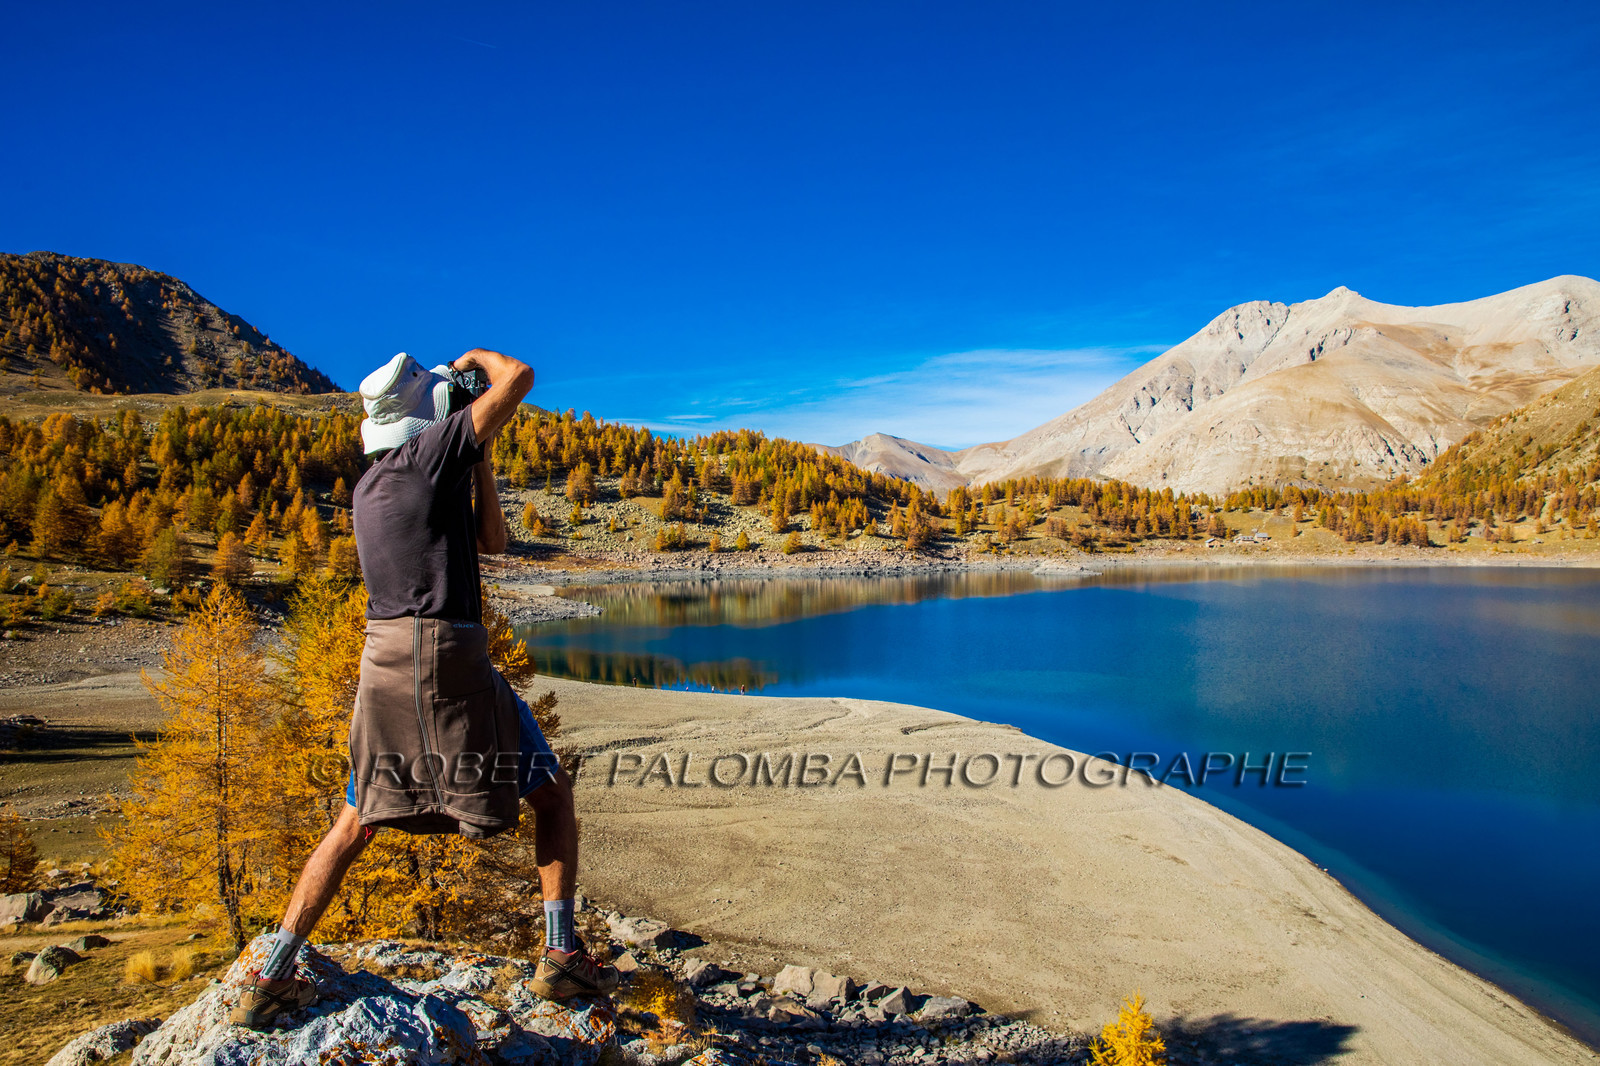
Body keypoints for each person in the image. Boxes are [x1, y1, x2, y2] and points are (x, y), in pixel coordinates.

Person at [231, 348, 619, 1030]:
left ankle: (273, 974)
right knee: (552, 795)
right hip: (446, 656)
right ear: (425, 420)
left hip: (383, 662)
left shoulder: (375, 485)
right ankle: (560, 956)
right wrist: (475, 364)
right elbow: (521, 377)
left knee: (357, 819)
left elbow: (493, 541)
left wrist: (481, 455)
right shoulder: (426, 457)